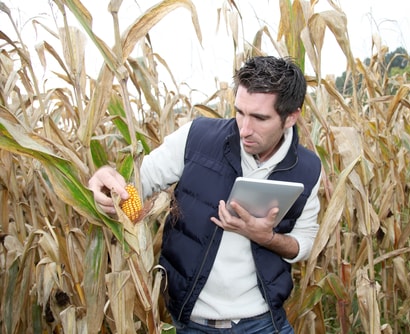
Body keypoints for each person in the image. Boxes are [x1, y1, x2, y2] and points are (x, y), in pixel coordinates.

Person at [88, 56, 322, 334]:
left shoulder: (308, 169)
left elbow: (304, 243)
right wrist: (107, 183)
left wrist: (266, 238)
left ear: (291, 117)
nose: (244, 129)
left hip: (263, 323)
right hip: (191, 323)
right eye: (239, 112)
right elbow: (135, 185)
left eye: (259, 118)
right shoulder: (197, 138)